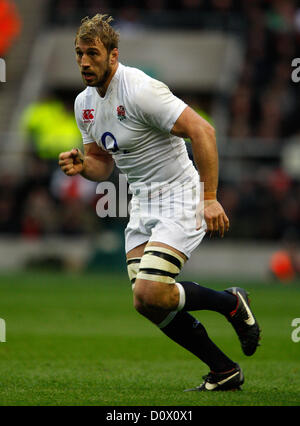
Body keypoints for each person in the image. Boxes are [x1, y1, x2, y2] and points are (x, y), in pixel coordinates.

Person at [58, 14, 260, 392]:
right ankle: (223, 370)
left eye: (93, 53)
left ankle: (230, 303)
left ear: (113, 56)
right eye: (79, 54)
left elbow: (203, 130)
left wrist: (210, 198)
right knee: (148, 303)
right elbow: (102, 165)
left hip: (180, 195)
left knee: (150, 290)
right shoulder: (84, 104)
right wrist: (82, 165)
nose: (85, 62)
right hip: (142, 202)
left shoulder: (140, 90)